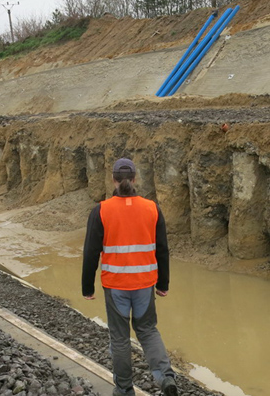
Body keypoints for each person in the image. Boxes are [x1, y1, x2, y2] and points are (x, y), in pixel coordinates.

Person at [82, 158, 178, 396]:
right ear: (135, 179)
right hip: (145, 284)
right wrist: (163, 284)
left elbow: (91, 252)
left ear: (113, 180)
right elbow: (162, 249)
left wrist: (87, 288)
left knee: (120, 338)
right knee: (147, 330)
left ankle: (124, 390)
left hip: (115, 286)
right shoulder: (152, 208)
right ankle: (165, 377)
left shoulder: (101, 210)